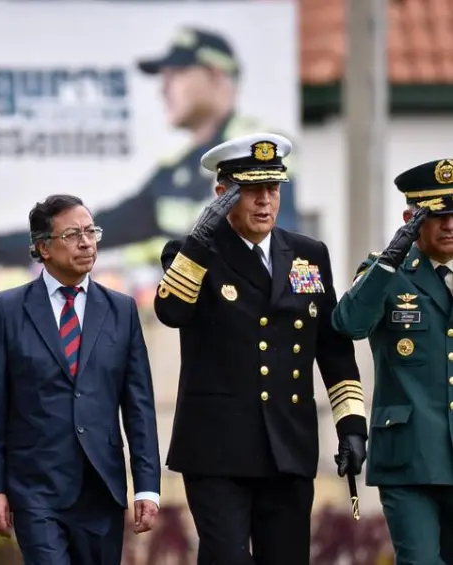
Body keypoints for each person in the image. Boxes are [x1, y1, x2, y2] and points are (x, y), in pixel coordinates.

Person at [153, 133, 367, 564]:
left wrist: (352, 426)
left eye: (272, 189)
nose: (265, 201)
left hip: (288, 445)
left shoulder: (308, 254)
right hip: (217, 451)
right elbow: (171, 311)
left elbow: (333, 348)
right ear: (222, 193)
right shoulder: (193, 253)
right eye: (251, 190)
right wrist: (199, 236)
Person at [0, 27, 300, 268]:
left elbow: (270, 244)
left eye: (175, 74)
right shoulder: (175, 167)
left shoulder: (261, 147)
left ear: (215, 74)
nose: (163, 88)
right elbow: (108, 227)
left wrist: (159, 252)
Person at [0, 194, 162, 565]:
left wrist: (148, 486)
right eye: (73, 234)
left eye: (91, 231)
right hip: (36, 489)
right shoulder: (8, 310)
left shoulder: (121, 310)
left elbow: (139, 406)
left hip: (100, 489)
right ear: (43, 248)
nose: (87, 242)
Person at [331, 158, 453, 564]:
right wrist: (388, 261)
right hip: (410, 459)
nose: (449, 224)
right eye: (436, 215)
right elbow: (348, 323)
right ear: (411, 218)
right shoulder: (386, 272)